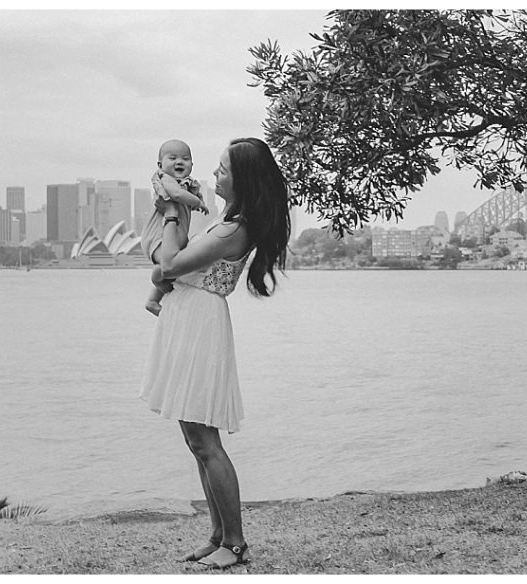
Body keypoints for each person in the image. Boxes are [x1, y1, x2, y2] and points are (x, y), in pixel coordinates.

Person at [139, 137, 291, 570]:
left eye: (223, 169)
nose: (216, 174)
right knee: (195, 438)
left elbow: (168, 265)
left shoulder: (231, 229)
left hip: (200, 328)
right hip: (191, 321)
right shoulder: (229, 221)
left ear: (241, 178)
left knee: (206, 442)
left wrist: (171, 210)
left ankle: (236, 543)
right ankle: (217, 534)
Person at [139, 139, 210, 317]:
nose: (179, 162)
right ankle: (158, 277)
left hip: (176, 234)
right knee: (166, 266)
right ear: (160, 164)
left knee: (177, 267)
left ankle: (153, 300)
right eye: (172, 158)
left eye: (185, 159)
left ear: (192, 164)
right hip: (160, 234)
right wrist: (198, 202)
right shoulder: (166, 179)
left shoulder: (187, 184)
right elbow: (177, 194)